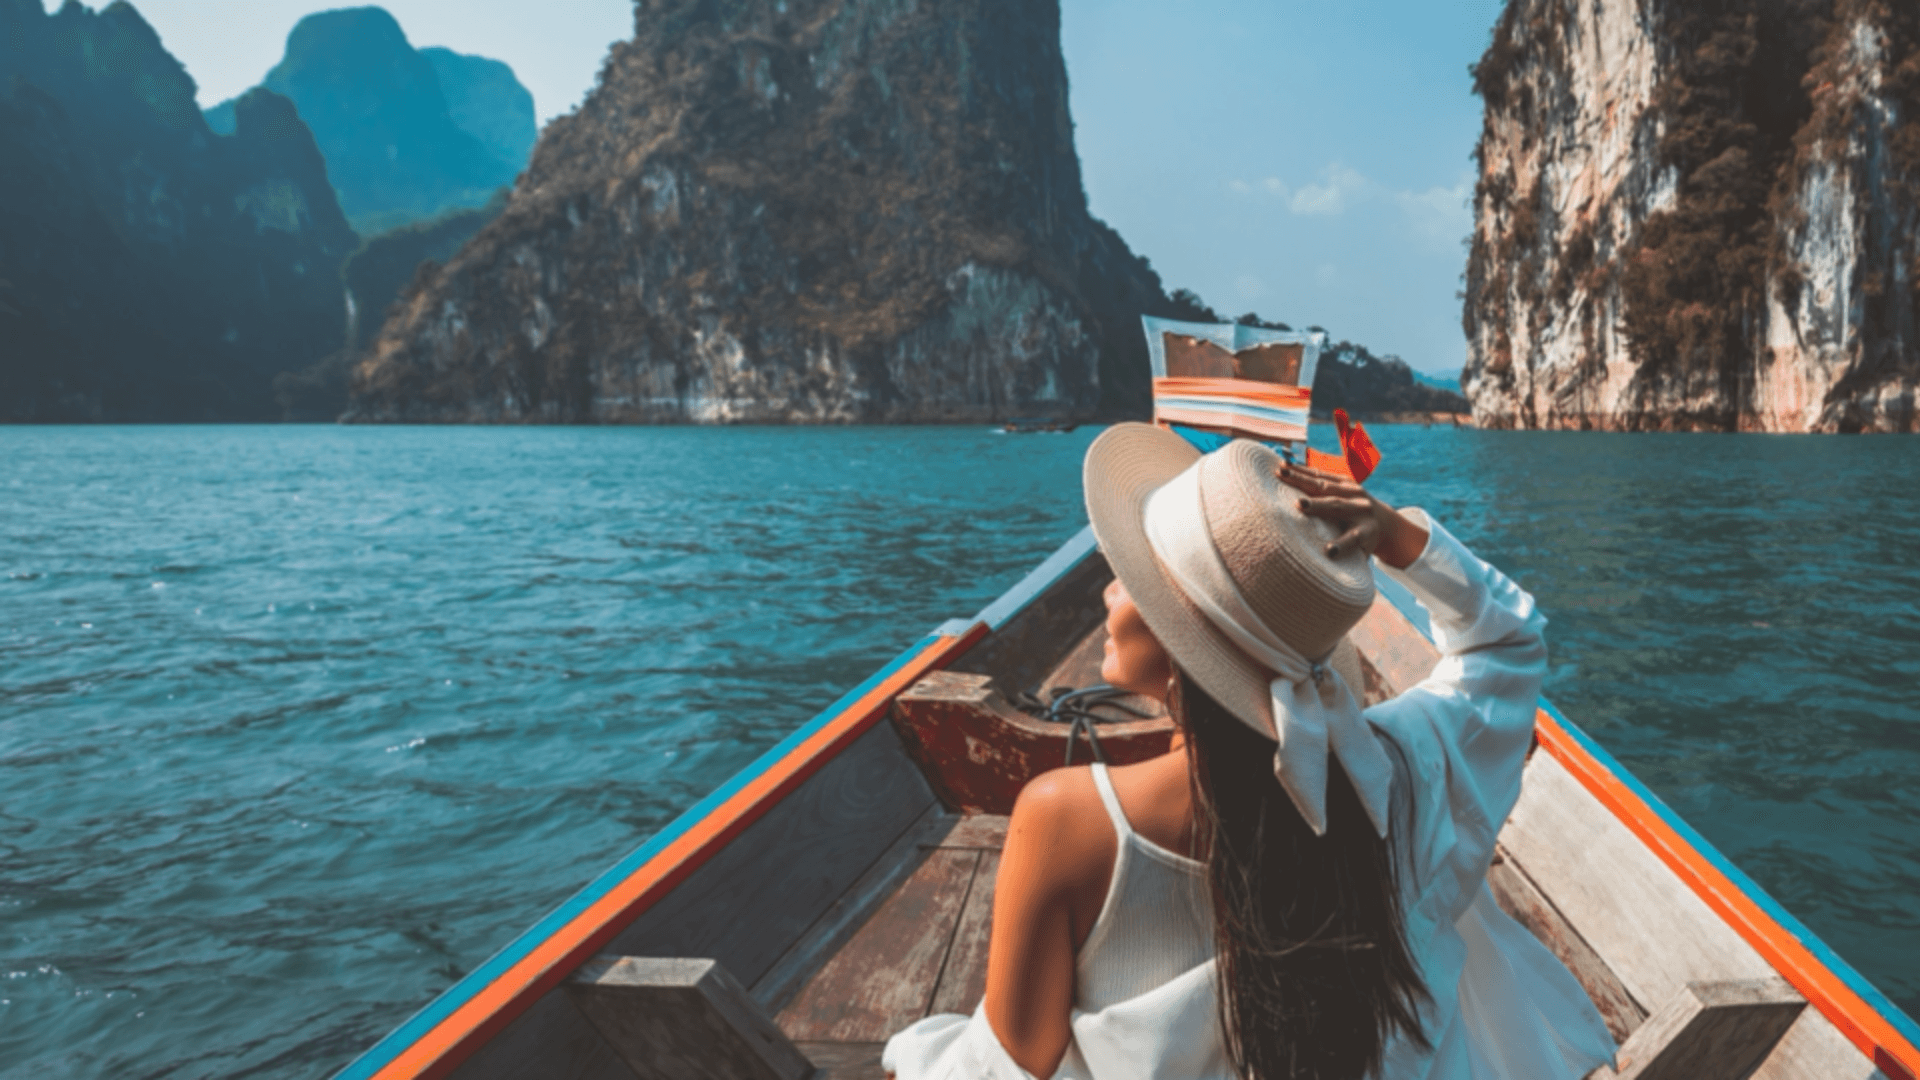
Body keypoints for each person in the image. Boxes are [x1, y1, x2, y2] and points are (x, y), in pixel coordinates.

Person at [883, 423, 1616, 1080]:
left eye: (1133, 578)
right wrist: (1396, 534)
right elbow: (1507, 644)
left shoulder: (1068, 817)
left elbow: (1013, 1064)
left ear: (1185, 637)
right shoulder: (1398, 769)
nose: (1107, 593)